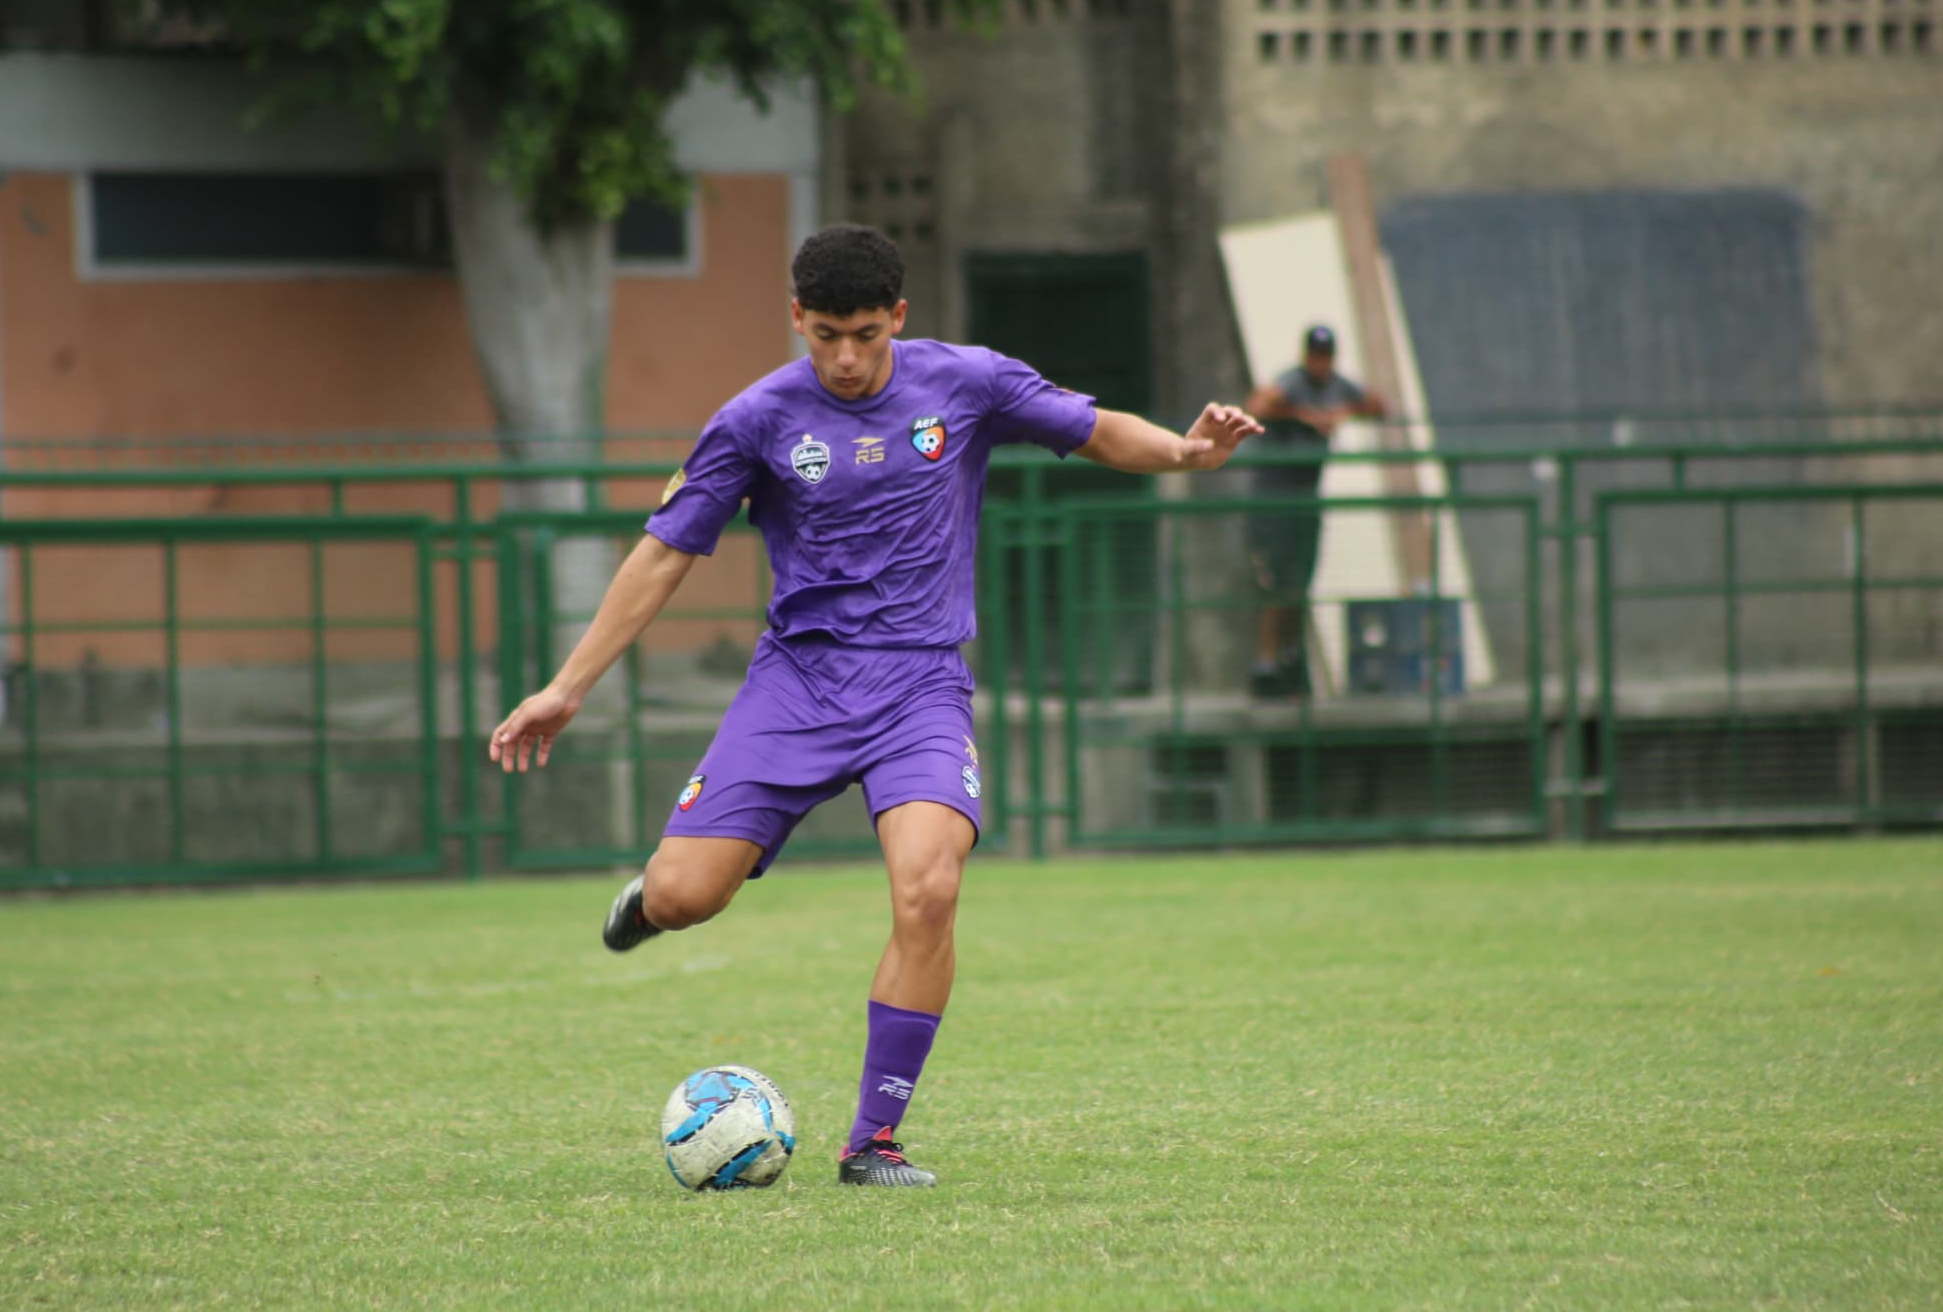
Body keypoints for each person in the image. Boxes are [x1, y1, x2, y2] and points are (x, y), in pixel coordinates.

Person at [487, 225, 1262, 1187]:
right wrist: (567, 688)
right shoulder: (756, 418)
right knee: (690, 896)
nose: (845, 358)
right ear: (796, 320)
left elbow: (1093, 426)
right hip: (797, 685)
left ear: (899, 316)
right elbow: (664, 552)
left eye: (863, 333)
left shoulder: (967, 382)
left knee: (929, 888)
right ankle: (651, 901)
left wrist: (1187, 454)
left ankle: (873, 1143)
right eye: (824, 336)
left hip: (920, 685)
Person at [1242, 323, 1389, 698]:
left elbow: (1378, 404)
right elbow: (1257, 404)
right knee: (1275, 583)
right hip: (1274, 498)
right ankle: (1266, 664)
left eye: (1326, 357)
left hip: (1307, 499)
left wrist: (1342, 412)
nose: (1320, 364)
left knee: (1299, 584)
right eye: (1315, 357)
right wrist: (1303, 415)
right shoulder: (1293, 383)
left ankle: (1291, 661)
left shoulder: (1337, 386)